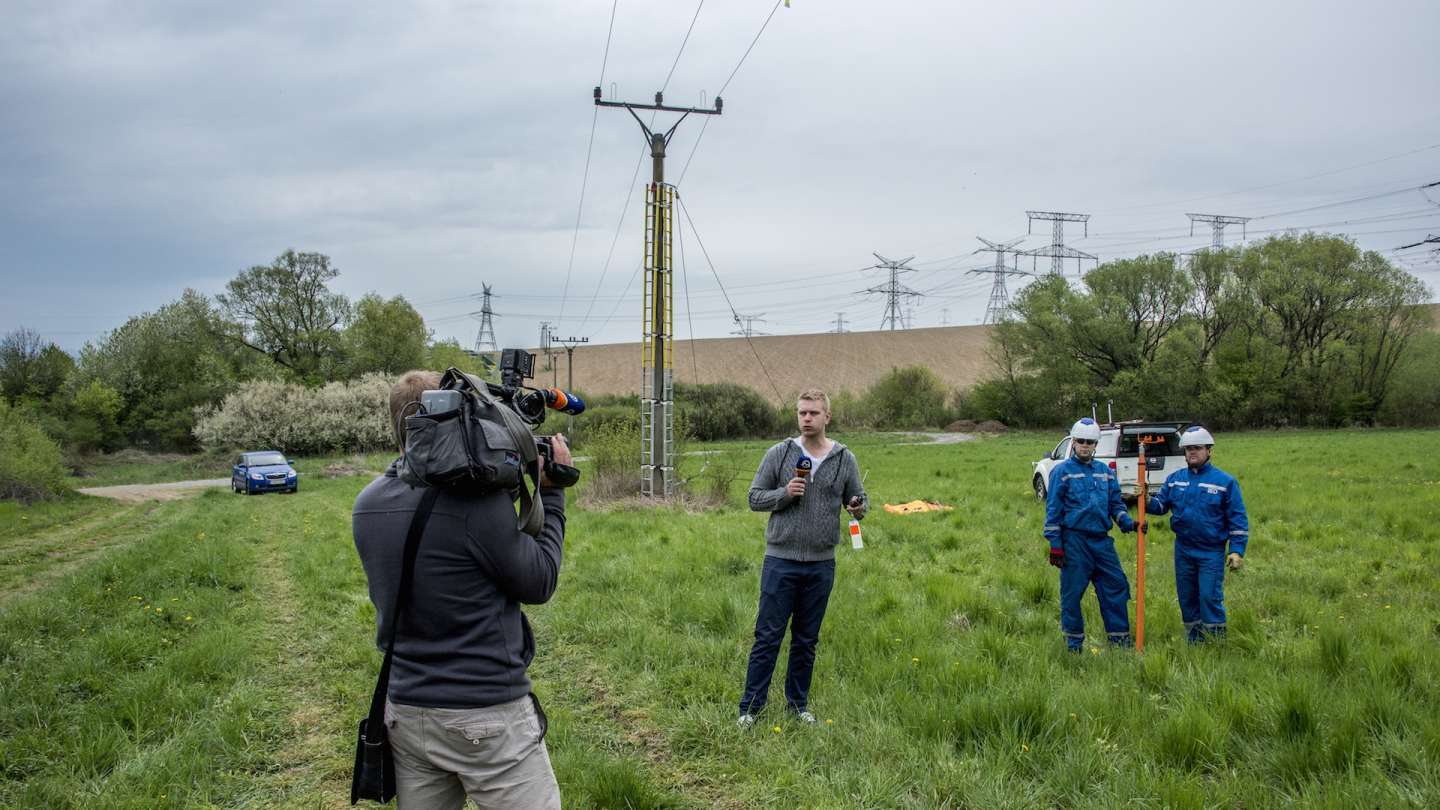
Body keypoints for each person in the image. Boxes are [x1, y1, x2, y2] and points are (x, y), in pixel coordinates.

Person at [353, 370, 569, 809]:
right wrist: (553, 492)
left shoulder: (367, 504)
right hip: (486, 716)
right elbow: (540, 580)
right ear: (456, 412)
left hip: (408, 710)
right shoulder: (477, 507)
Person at [738, 389, 867, 728]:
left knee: (806, 640)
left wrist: (857, 507)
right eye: (802, 413)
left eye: (813, 413)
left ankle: (797, 706)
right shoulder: (779, 454)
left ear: (827, 417)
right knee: (768, 636)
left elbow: (860, 502)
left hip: (821, 564)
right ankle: (750, 709)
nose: (807, 418)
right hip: (780, 561)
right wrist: (784, 493)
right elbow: (753, 498)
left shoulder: (844, 459)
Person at [1145, 425, 1249, 643]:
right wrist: (1145, 499)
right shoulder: (1175, 479)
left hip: (1211, 551)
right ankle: (1195, 641)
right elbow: (1160, 506)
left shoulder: (1225, 482)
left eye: (1197, 448)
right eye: (1188, 448)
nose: (1192, 452)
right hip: (1183, 549)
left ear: (1209, 450)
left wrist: (1237, 551)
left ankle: (1216, 642)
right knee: (1187, 598)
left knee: (1209, 597)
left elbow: (1237, 520)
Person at [1044, 417, 1138, 652]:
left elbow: (1115, 504)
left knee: (1116, 588)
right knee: (1072, 595)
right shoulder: (1061, 472)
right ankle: (1074, 646)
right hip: (1074, 542)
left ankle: (1120, 644)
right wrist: (1056, 545)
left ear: (1096, 444)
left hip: (1102, 543)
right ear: (1074, 442)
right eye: (1082, 441)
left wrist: (1127, 522)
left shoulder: (1105, 473)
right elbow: (1053, 510)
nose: (1086, 446)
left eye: (1091, 442)